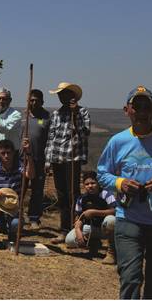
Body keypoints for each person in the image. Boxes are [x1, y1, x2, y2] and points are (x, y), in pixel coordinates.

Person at [97, 86, 152, 299]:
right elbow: (102, 173)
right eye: (137, 106)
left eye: (147, 106)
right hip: (128, 219)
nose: (142, 110)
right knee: (130, 277)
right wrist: (120, 183)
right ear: (127, 109)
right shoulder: (117, 142)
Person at [45, 82, 91, 244]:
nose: (61, 97)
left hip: (72, 158)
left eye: (64, 94)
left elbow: (85, 133)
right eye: (59, 94)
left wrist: (75, 114)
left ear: (72, 96)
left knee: (74, 194)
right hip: (58, 158)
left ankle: (77, 228)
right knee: (62, 195)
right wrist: (48, 161)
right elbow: (51, 138)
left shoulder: (82, 112)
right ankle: (64, 230)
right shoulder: (56, 114)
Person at [65, 171, 116, 264]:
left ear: (98, 183)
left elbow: (115, 211)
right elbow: (78, 217)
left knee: (111, 220)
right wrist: (77, 230)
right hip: (91, 228)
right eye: (87, 184)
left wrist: (94, 212)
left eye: (93, 183)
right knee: (70, 240)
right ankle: (94, 243)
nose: (90, 186)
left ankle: (111, 252)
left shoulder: (106, 194)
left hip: (105, 229)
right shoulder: (81, 199)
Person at [24, 89, 51, 230]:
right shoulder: (22, 116)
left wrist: (48, 161)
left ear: (42, 102)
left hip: (39, 159)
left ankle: (34, 218)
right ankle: (16, 215)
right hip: (21, 160)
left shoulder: (47, 117)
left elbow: (50, 140)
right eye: (31, 100)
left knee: (37, 190)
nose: (33, 103)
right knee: (20, 188)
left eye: (36, 100)